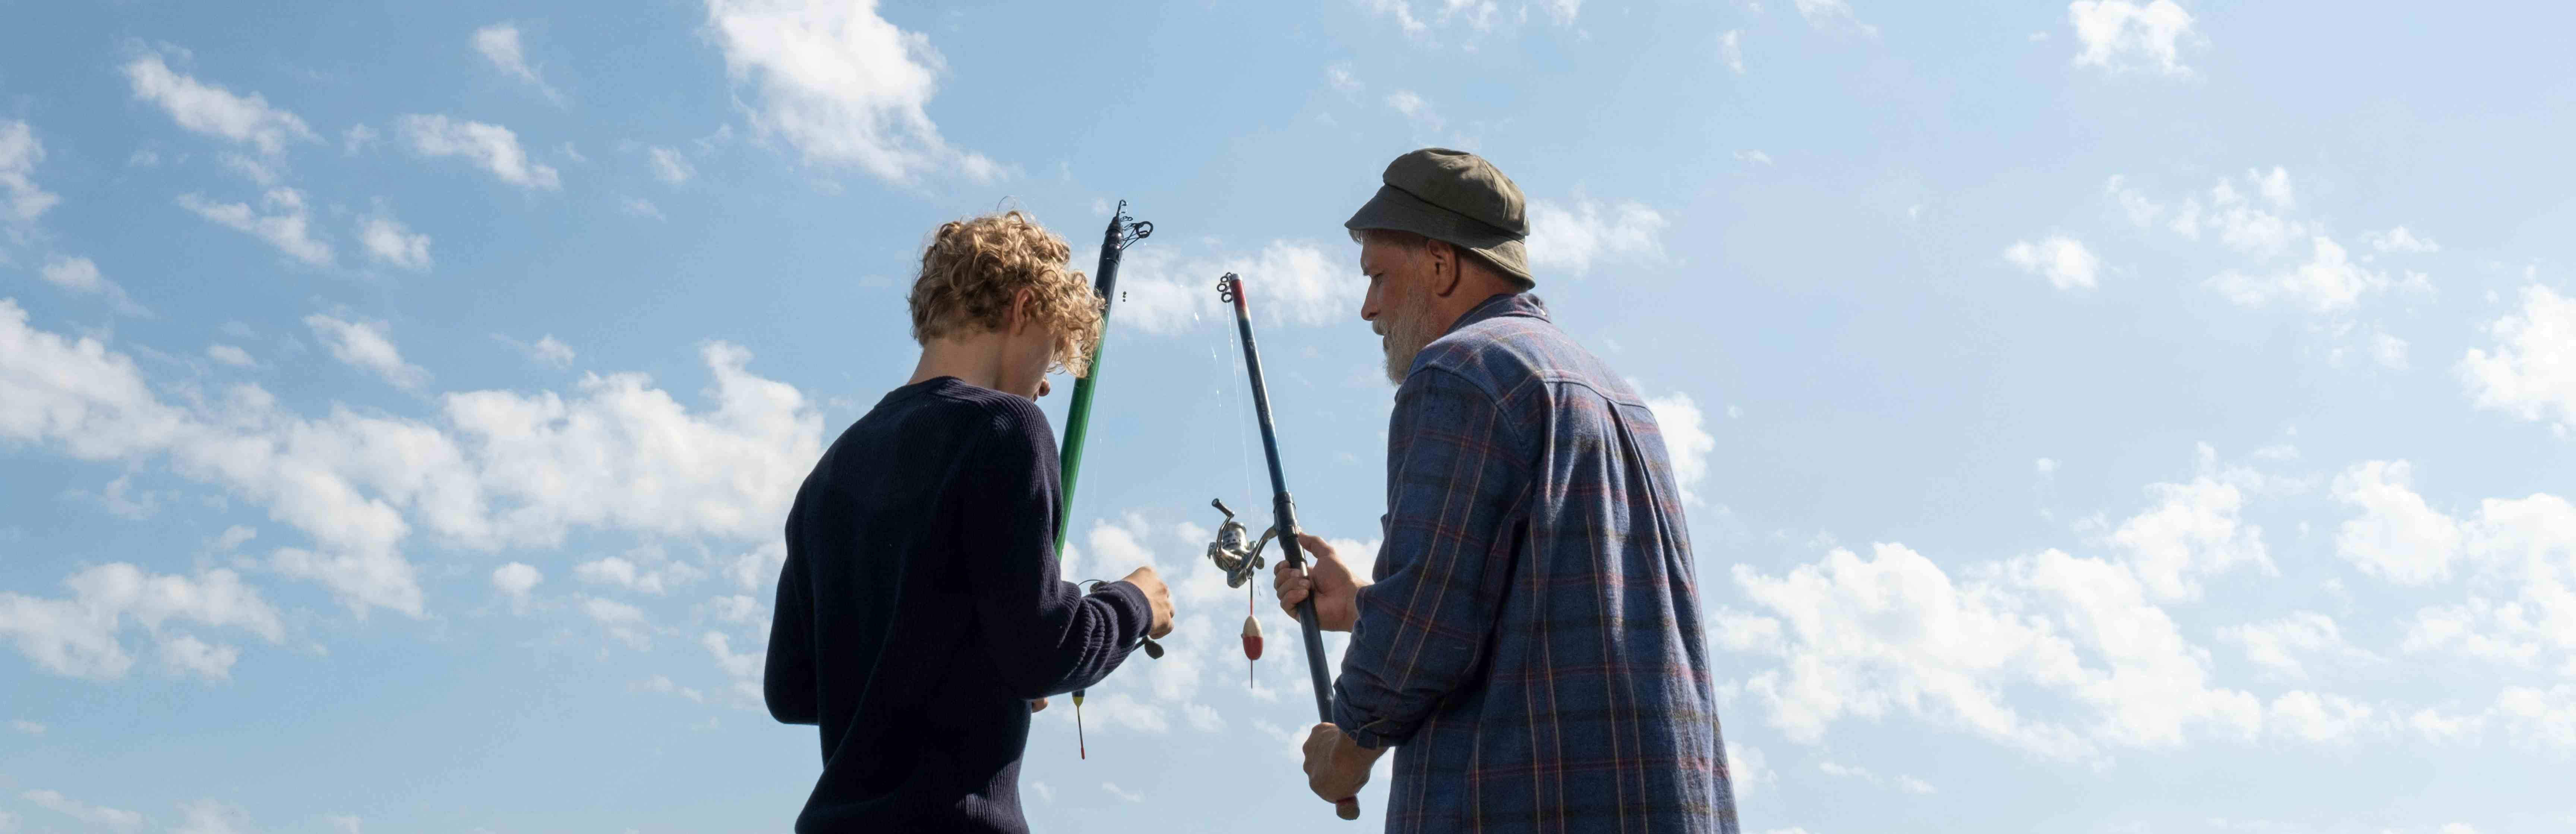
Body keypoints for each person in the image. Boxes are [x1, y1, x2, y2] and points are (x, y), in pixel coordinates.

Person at [1275, 149, 1739, 833]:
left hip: (1525, 803)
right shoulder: (1618, 397)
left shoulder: (1458, 372)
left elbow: (1429, 615)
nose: (1368, 307)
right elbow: (1534, 600)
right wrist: (1365, 607)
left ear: (1441, 263)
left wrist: (1350, 743)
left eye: (1377, 276)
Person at [765, 211, 1175, 834]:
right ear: (1023, 308)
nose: (1044, 387)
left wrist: (983, 668)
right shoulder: (1006, 428)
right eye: (1052, 353)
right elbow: (1044, 650)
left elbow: (793, 688)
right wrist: (1134, 602)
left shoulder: (830, 473)